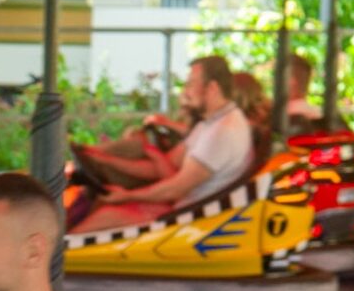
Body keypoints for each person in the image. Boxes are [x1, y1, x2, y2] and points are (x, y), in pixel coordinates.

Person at [93, 55, 255, 210]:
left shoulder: (222, 132)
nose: (185, 92)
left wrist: (128, 196)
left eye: (191, 84)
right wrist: (107, 160)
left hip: (190, 218)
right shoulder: (209, 124)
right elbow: (164, 166)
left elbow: (176, 189)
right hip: (181, 209)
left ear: (212, 88)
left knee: (104, 214)